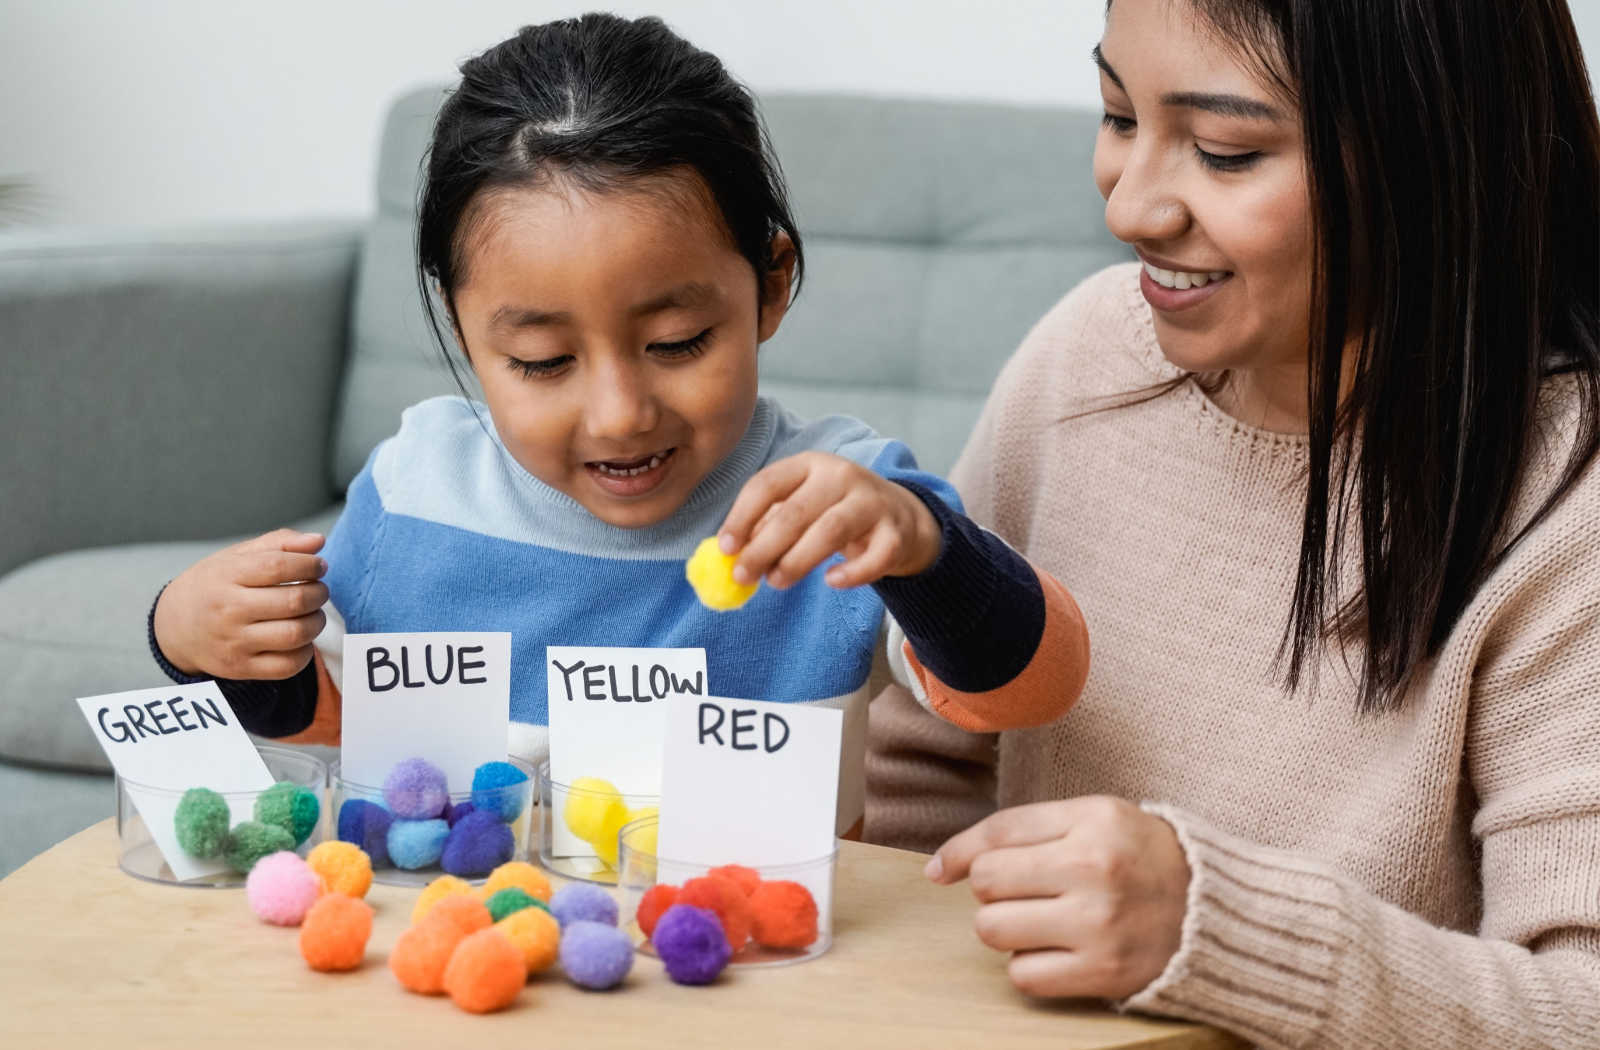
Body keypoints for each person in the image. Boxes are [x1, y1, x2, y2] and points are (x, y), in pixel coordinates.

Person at [144, 13, 1090, 834]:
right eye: (543, 362)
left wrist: (924, 549)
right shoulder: (419, 487)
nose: (620, 414)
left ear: (770, 285)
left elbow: (1032, 692)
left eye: (677, 341)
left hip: (741, 961)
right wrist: (197, 641)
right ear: (466, 332)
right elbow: (326, 720)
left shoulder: (838, 504)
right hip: (473, 959)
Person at [867, 0, 1600, 1044]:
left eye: (1223, 150)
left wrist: (1219, 936)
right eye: (1118, 116)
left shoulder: (1569, 499)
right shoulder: (1086, 354)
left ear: (1430, 159)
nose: (1130, 210)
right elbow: (927, 762)